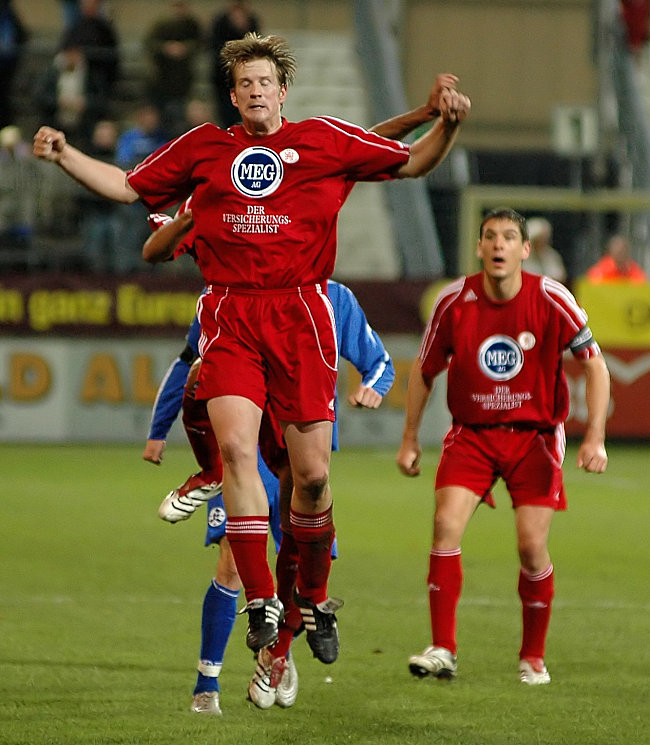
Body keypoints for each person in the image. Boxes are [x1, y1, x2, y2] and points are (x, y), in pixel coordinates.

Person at [33, 33, 470, 668]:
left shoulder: (322, 141)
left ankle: (313, 598)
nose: (256, 91)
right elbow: (128, 187)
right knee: (238, 453)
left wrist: (447, 126)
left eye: (265, 81)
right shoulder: (204, 148)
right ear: (233, 96)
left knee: (311, 478)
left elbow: (411, 163)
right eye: (245, 84)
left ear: (283, 91)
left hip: (302, 315)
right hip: (231, 315)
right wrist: (65, 154)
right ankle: (262, 599)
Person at [397, 207, 610, 686]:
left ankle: (532, 656)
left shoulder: (551, 297)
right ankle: (443, 648)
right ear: (479, 247)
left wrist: (594, 436)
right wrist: (410, 438)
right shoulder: (454, 300)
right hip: (471, 435)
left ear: (525, 249)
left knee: (532, 548)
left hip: (534, 438)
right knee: (444, 526)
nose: (498, 245)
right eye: (490, 236)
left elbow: (595, 365)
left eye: (509, 237)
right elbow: (424, 371)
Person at [144, 0, 203, 136]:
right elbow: (150, 43)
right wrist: (166, 48)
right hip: (162, 78)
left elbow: (200, 43)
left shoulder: (192, 25)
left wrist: (185, 48)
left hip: (184, 78)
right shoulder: (161, 25)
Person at [209, 1, 260, 128]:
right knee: (225, 111)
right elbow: (215, 47)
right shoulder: (220, 23)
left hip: (245, 75)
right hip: (223, 76)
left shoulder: (251, 22)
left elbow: (255, 46)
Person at [0, 0, 28, 129]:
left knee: (5, 97)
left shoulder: (8, 14)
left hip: (7, 67)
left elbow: (22, 34)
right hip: (7, 65)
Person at [523, 216, 567, 284]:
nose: (542, 243)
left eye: (544, 239)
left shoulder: (552, 256)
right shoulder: (522, 258)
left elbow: (560, 277)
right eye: (538, 240)